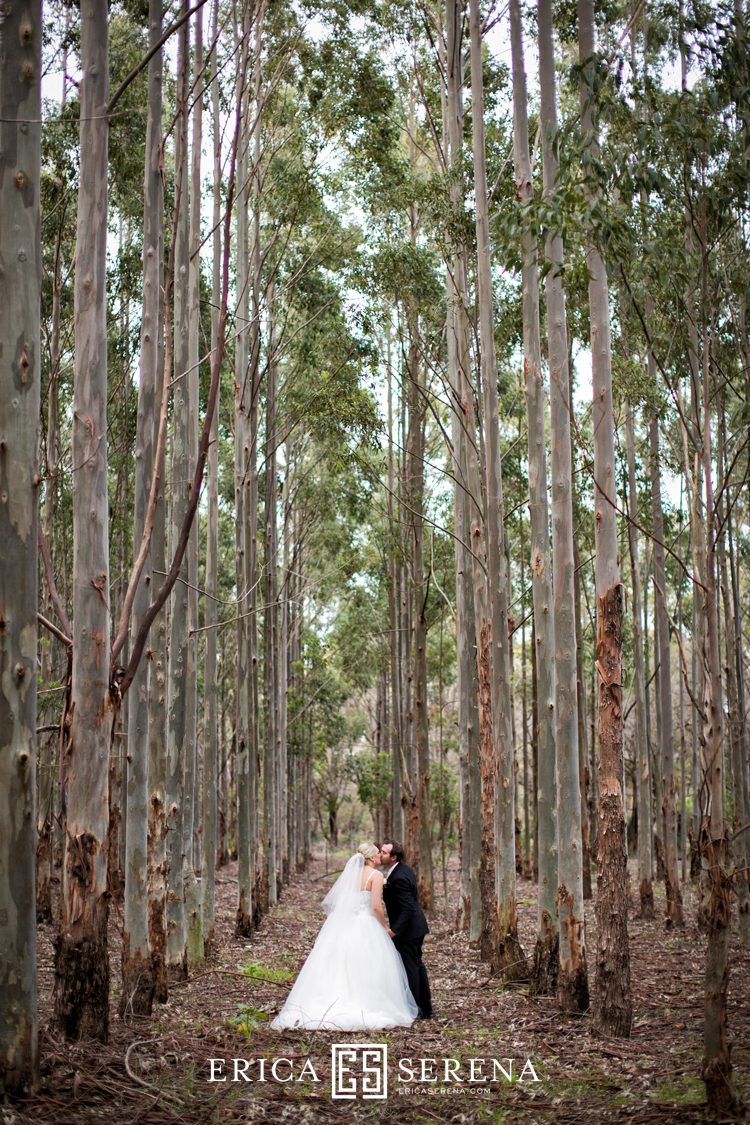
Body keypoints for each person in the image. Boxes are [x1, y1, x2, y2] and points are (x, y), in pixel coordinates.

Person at [270, 843, 418, 1031]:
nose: (380, 856)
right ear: (372, 858)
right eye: (378, 853)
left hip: (345, 924)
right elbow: (376, 907)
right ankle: (367, 1002)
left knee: (339, 962)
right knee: (368, 964)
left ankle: (332, 1000)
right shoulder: (376, 875)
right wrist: (385, 927)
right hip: (366, 924)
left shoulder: (351, 876)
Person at [379, 840, 433, 1019]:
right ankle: (425, 1008)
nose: (380, 854)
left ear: (393, 857)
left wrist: (395, 931)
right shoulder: (403, 870)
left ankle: (416, 1008)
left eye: (384, 852)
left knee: (411, 968)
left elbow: (408, 907)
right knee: (417, 966)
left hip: (408, 929)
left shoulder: (399, 877)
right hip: (416, 927)